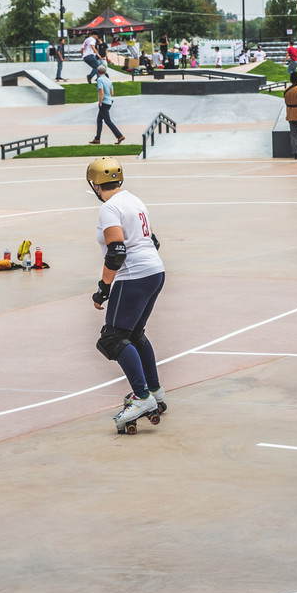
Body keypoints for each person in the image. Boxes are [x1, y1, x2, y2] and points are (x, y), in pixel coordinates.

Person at [86, 156, 168, 434]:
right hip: (155, 271)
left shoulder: (109, 208)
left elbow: (117, 252)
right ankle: (155, 393)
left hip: (133, 277)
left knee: (113, 339)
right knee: (134, 335)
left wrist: (103, 289)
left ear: (95, 185)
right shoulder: (135, 200)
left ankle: (142, 398)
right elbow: (152, 240)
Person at [88, 64, 125, 146]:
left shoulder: (100, 80)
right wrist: (108, 99)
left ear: (98, 72)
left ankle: (119, 136)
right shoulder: (108, 80)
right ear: (105, 72)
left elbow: (101, 92)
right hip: (109, 101)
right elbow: (112, 93)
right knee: (99, 120)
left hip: (104, 103)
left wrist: (100, 102)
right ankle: (97, 138)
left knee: (107, 121)